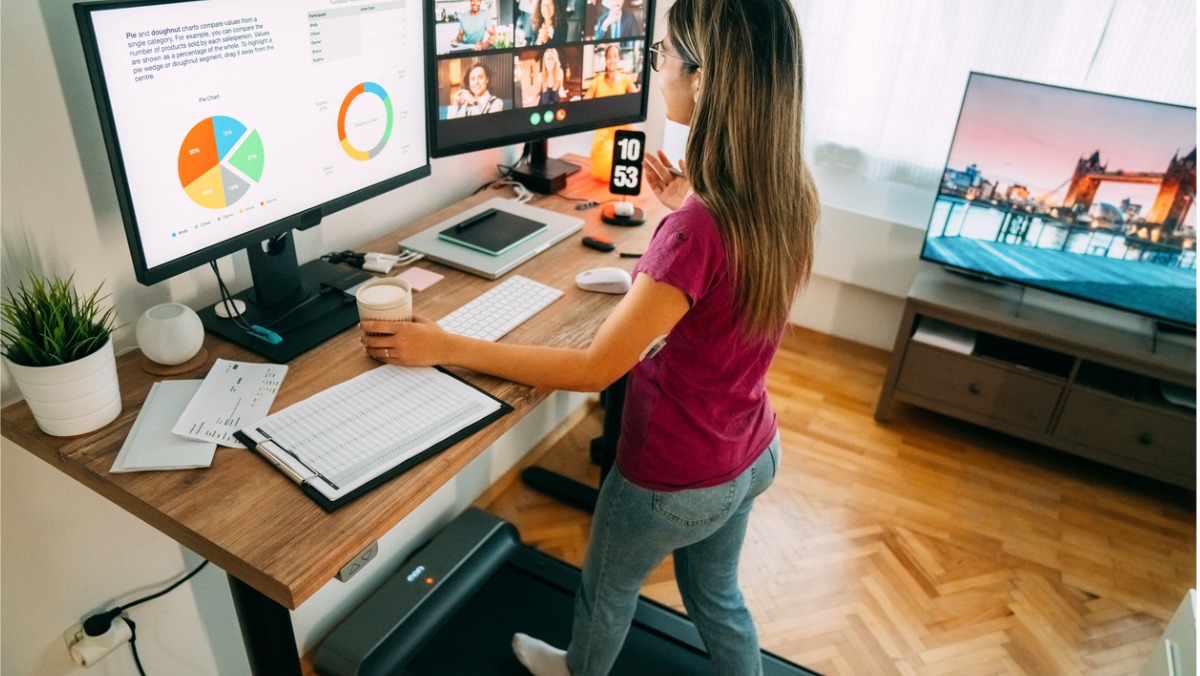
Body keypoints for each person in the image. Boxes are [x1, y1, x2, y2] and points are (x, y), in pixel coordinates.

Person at [358, 0, 819, 673]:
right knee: (718, 597)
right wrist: (683, 210)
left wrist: (446, 344)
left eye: (662, 56)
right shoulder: (787, 194)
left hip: (673, 477)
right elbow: (723, 291)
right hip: (751, 451)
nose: (656, 69)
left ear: (704, 79)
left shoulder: (695, 231)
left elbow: (596, 368)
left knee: (606, 593)